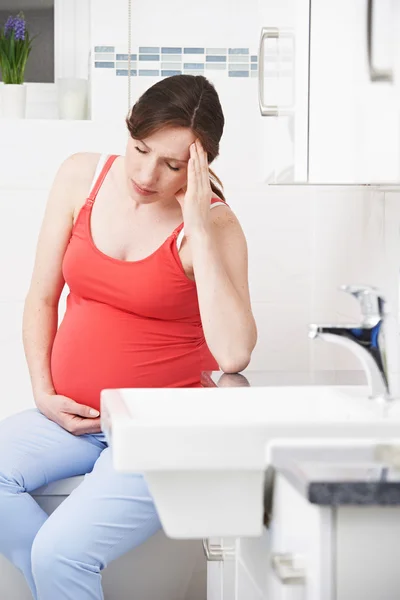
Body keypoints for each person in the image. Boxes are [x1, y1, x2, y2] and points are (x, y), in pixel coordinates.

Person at [0, 74, 257, 599]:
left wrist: (200, 232)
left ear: (203, 164)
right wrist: (43, 393)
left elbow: (234, 354)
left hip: (162, 429)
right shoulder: (81, 177)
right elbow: (41, 298)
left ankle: (57, 573)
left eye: (173, 164)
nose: (146, 173)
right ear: (128, 130)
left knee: (61, 554)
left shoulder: (214, 227)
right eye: (140, 149)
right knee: (52, 559)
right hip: (72, 415)